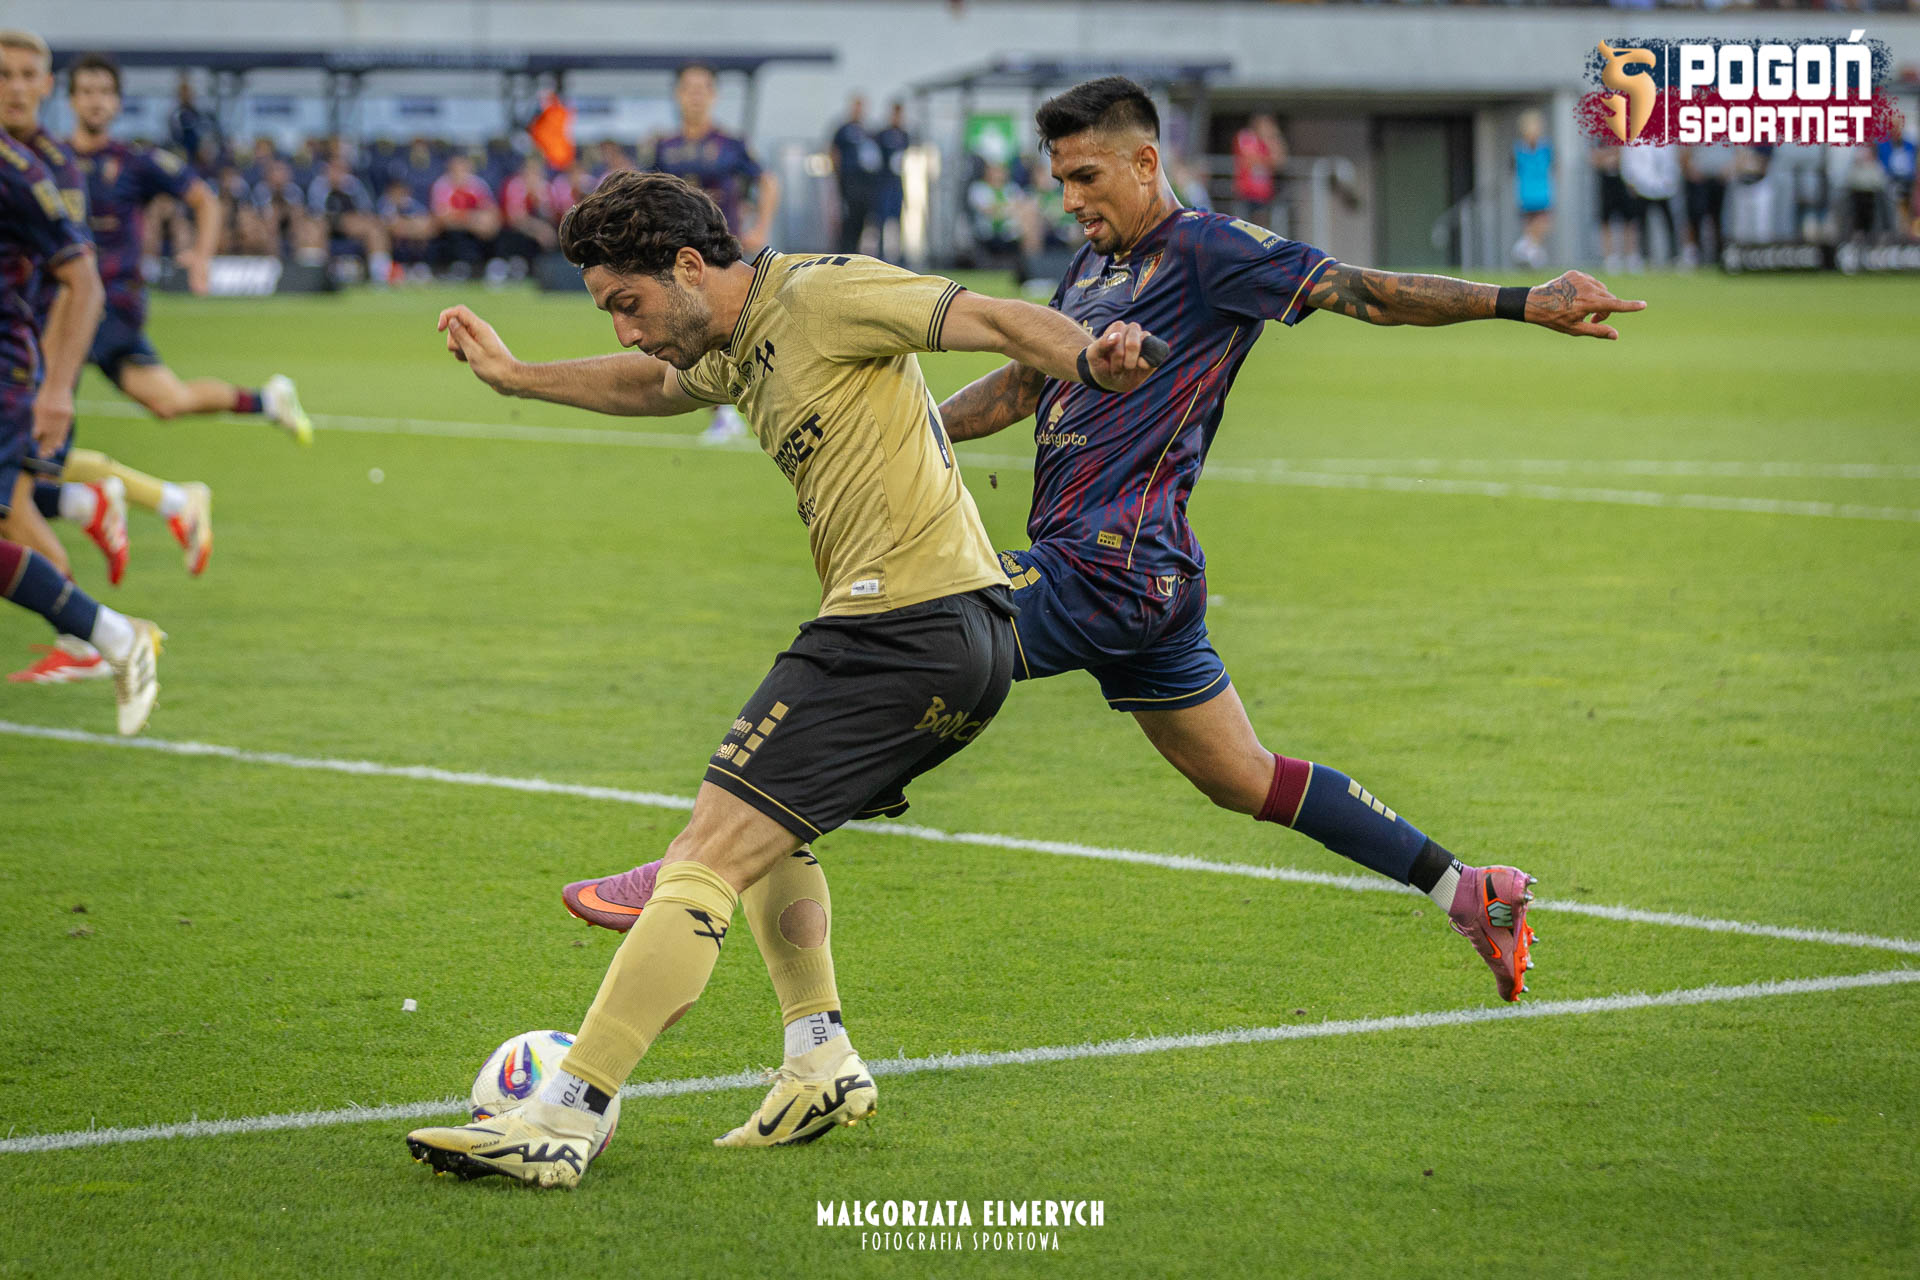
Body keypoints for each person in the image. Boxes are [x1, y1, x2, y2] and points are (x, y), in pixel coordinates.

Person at [565, 78, 1651, 1041]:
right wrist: (913, 429)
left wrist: (1525, 302)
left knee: (904, 643)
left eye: (1087, 176)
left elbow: (1362, 290)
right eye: (1060, 179)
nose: (1071, 197)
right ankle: (1468, 889)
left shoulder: (1212, 250)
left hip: (1110, 566)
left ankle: (705, 857)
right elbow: (1024, 384)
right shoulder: (1093, 267)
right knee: (1242, 775)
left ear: (1145, 161)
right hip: (1143, 578)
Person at [404, 170, 1161, 1186]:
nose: (625, 330)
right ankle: (820, 1058)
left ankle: (565, 1113)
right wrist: (516, 377)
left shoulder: (820, 293)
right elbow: (648, 388)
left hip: (902, 623)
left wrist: (1087, 355)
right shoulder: (729, 341)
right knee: (770, 831)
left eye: (629, 303)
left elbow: (987, 316)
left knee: (705, 854)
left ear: (688, 266)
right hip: (955, 637)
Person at [0, 29, 206, 687]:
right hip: (39, 351)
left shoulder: (49, 169)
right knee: (15, 503)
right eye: (4, 75)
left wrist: (55, 384)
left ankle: (99, 631)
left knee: (16, 505)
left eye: (26, 75)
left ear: (46, 85)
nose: (16, 88)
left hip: (32, 356)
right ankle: (102, 518)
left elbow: (74, 280)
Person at [67, 53, 312, 442]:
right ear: (71, 99)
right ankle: (267, 401)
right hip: (62, 297)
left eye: (104, 92)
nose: (96, 101)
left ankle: (51, 474)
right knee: (169, 401)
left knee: (44, 395)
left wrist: (201, 257)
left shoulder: (135, 161)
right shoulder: (49, 159)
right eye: (86, 92)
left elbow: (205, 200)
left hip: (112, 302)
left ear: (117, 102)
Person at [648, 62, 780, 444]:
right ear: (677, 95)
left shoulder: (731, 144)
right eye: (688, 88)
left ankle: (742, 406)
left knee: (734, 327)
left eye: (702, 88)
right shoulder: (664, 148)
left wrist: (761, 227)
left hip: (723, 250)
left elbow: (767, 182)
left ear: (714, 95)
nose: (695, 95)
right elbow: (648, 194)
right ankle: (722, 411)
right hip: (678, 253)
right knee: (690, 327)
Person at [828, 94, 883, 255]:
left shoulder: (868, 131)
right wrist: (837, 176)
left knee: (863, 218)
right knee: (847, 219)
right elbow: (834, 152)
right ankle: (844, 252)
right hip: (849, 182)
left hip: (865, 184)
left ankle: (857, 253)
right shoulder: (843, 130)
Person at [1511, 109, 1553, 268]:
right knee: (1533, 224)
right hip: (1527, 193)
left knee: (1543, 224)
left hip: (1543, 192)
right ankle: (1527, 249)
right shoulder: (1518, 150)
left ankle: (1528, 250)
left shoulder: (1546, 148)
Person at [1231, 111, 1286, 226]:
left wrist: (1273, 138)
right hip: (1246, 192)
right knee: (1244, 228)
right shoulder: (1246, 136)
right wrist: (1268, 160)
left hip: (1265, 193)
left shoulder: (1268, 141)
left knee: (1262, 228)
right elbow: (1250, 160)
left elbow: (1280, 161)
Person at [874, 101, 911, 262]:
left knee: (898, 218)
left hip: (897, 183)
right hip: (884, 183)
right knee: (881, 219)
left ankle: (899, 253)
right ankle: (880, 253)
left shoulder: (904, 135)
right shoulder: (882, 135)